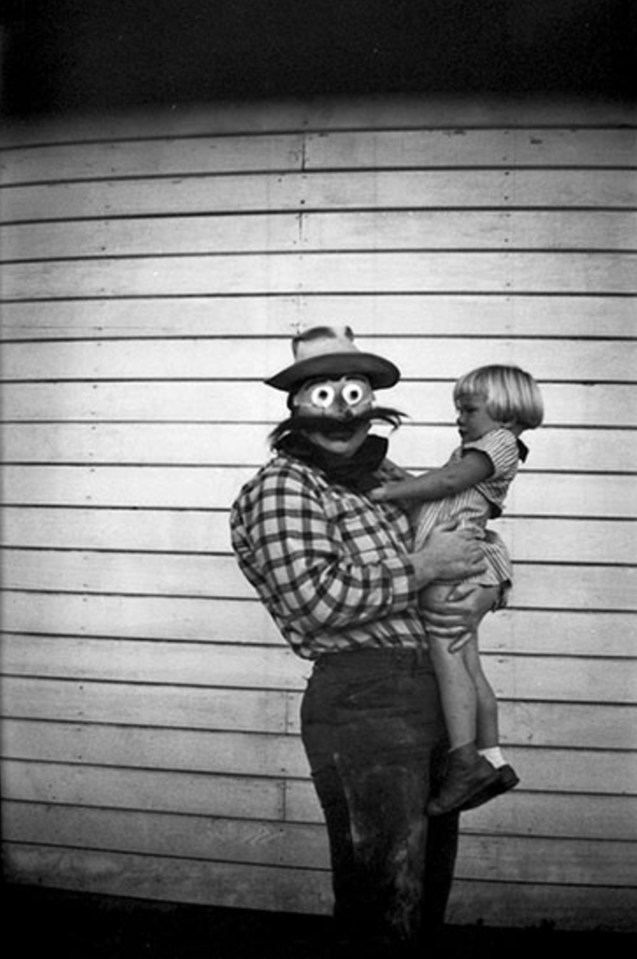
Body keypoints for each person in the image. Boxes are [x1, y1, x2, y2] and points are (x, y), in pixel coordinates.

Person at [230, 325, 498, 957]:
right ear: (295, 407)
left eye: (354, 394)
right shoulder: (285, 488)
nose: (343, 414)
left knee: (423, 895)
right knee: (384, 901)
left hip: (432, 689)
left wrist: (486, 586)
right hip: (365, 698)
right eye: (323, 396)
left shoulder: (390, 478)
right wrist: (427, 567)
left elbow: (464, 543)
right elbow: (318, 604)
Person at [371, 364, 544, 817]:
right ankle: (492, 758)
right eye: (458, 409)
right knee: (468, 665)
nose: (459, 418)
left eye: (469, 409)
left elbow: (447, 483)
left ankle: (463, 761)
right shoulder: (482, 446)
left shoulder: (498, 445)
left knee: (449, 663)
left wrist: (388, 495)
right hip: (461, 571)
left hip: (450, 574)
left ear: (506, 411)